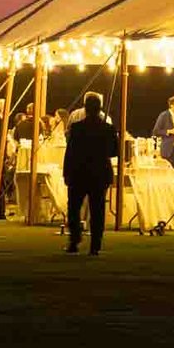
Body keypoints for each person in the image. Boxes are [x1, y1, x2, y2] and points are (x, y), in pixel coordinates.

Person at [63, 90, 118, 255]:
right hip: (99, 173)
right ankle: (95, 245)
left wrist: (67, 173)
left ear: (85, 109)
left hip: (79, 172)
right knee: (97, 210)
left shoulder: (77, 128)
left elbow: (70, 152)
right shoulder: (107, 128)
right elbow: (114, 151)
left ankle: (74, 240)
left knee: (73, 208)